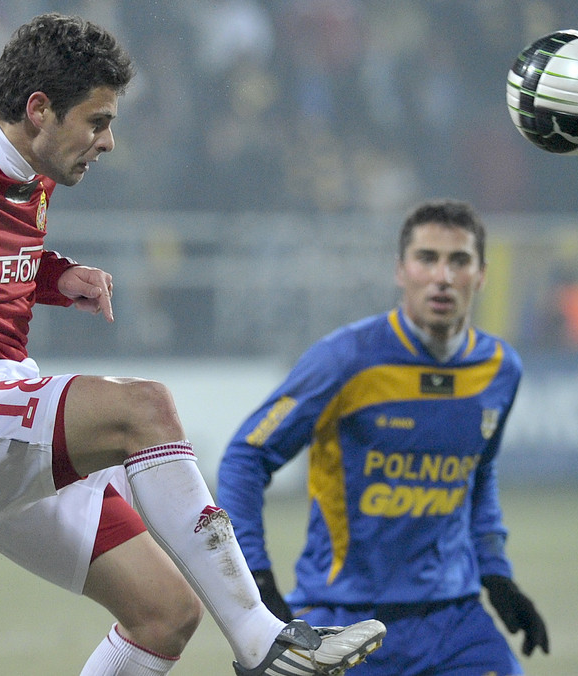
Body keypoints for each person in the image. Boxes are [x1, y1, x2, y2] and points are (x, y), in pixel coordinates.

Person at [0, 12, 384, 676]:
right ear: (39, 109)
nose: (108, 142)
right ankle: (262, 644)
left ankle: (253, 640)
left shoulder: (36, 168)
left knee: (164, 616)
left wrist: (54, 275)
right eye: (98, 121)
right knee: (144, 410)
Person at [217, 199, 550, 675]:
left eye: (459, 261)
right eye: (427, 258)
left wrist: (497, 574)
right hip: (344, 620)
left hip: (455, 621)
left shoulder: (500, 369)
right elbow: (245, 457)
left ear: (481, 275)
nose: (443, 276)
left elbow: (480, 473)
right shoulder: (346, 359)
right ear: (401, 270)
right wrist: (257, 578)